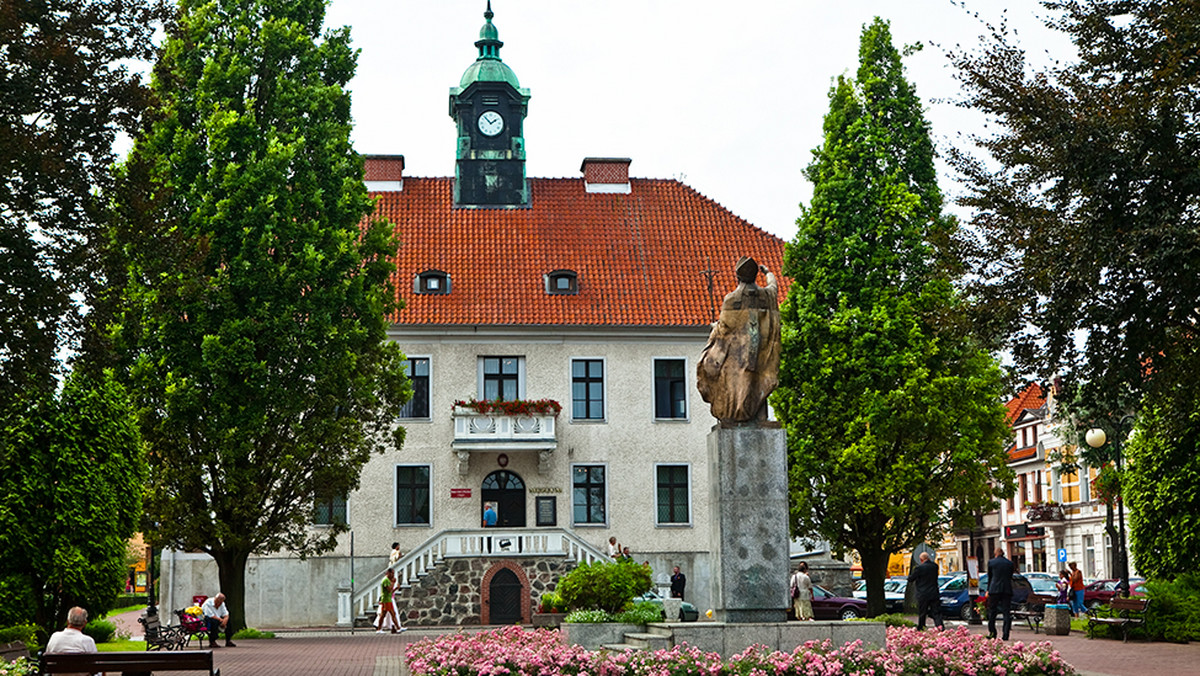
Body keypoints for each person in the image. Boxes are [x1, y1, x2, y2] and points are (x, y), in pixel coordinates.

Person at [696, 257, 781, 424]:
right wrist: (768, 272)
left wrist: (715, 327)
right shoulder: (766, 296)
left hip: (739, 353)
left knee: (726, 375)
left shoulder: (732, 299)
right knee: (760, 381)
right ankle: (761, 416)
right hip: (761, 352)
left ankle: (732, 413)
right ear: (755, 275)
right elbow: (774, 286)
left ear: (737, 277)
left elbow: (725, 328)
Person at [45, 606, 98, 675]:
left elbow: (48, 662)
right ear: (84, 623)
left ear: (68, 621)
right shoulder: (88, 641)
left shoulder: (55, 637)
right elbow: (95, 666)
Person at [908, 552, 944, 630]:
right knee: (936, 611)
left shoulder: (919, 568)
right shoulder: (935, 566)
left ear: (921, 559)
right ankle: (940, 626)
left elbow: (911, 579)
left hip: (923, 594)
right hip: (934, 593)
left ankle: (921, 626)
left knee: (922, 612)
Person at [986, 548, 1014, 640]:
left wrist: (988, 589)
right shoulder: (1009, 563)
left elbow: (990, 577)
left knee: (992, 612)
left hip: (994, 590)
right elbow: (1010, 576)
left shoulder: (991, 563)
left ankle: (992, 633)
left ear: (995, 554)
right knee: (1006, 612)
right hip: (1006, 589)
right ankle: (1005, 634)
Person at [376, 568, 404, 633]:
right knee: (390, 614)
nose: (393, 575)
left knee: (385, 615)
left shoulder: (388, 580)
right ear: (388, 573)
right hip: (386, 600)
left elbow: (390, 592)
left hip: (388, 599)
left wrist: (396, 588)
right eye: (392, 573)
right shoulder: (385, 580)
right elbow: (389, 589)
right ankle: (398, 627)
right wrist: (393, 583)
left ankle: (379, 628)